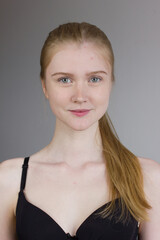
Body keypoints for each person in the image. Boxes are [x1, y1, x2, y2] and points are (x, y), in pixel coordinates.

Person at [0, 22, 160, 240]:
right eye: (64, 79)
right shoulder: (8, 180)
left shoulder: (148, 178)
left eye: (94, 79)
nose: (80, 96)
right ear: (45, 86)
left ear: (110, 83)